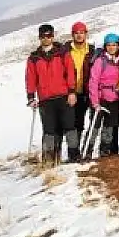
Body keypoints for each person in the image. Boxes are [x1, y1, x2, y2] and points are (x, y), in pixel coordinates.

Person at [25, 23, 80, 164]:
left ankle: (74, 157)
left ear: (53, 36)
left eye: (49, 35)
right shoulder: (34, 58)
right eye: (43, 36)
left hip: (64, 96)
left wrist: (72, 92)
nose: (46, 38)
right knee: (49, 131)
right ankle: (49, 160)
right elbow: (30, 78)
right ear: (39, 38)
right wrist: (31, 97)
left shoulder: (62, 53)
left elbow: (70, 73)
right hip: (45, 99)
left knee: (70, 127)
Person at [88, 33, 119, 157]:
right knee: (95, 126)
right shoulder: (100, 61)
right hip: (101, 98)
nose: (112, 47)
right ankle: (87, 151)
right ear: (105, 46)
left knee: (109, 127)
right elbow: (93, 81)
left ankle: (105, 151)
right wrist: (95, 102)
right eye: (109, 45)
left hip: (115, 98)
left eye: (114, 45)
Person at [64, 21, 96, 146]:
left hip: (88, 91)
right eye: (76, 33)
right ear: (72, 35)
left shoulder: (92, 50)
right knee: (75, 123)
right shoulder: (66, 51)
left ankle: (86, 149)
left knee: (92, 121)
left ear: (86, 34)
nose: (79, 35)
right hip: (72, 92)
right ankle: (74, 151)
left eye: (82, 33)